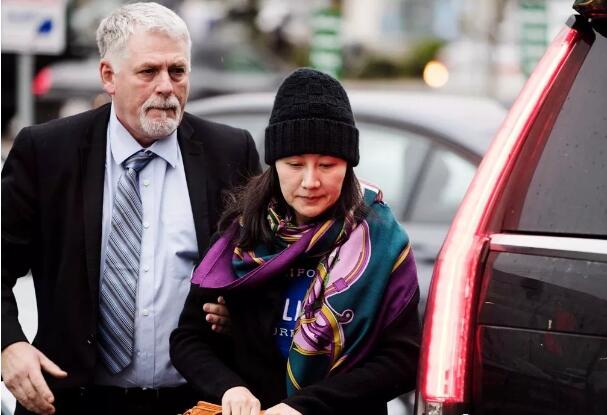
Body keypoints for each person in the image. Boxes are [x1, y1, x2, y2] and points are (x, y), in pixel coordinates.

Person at [1, 3, 260, 415]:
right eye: (148, 71)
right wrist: (8, 345)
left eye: (177, 71)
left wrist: (240, 314)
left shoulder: (229, 152)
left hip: (193, 402)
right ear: (109, 76)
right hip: (70, 401)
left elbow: (262, 268)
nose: (166, 87)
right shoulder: (47, 152)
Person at [170, 68, 420, 415]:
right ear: (274, 164)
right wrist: (230, 388)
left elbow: (402, 360)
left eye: (327, 165)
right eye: (295, 164)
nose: (310, 181)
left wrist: (304, 407)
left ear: (348, 165)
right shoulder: (242, 235)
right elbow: (189, 338)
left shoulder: (381, 242)